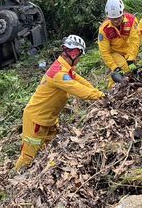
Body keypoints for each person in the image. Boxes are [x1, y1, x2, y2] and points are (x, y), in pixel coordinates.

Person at [15, 35, 104, 171]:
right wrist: (101, 97)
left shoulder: (66, 69)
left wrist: (99, 92)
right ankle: (13, 181)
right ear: (74, 53)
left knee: (47, 153)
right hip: (36, 120)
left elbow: (81, 82)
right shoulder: (59, 74)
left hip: (49, 119)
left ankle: (37, 176)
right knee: (28, 157)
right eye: (80, 56)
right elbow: (79, 90)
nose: (80, 60)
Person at [98, 0, 140, 85]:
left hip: (128, 50)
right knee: (122, 68)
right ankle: (112, 91)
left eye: (118, 18)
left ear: (122, 13)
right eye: (113, 19)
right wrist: (114, 67)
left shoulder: (131, 20)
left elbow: (134, 41)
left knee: (132, 70)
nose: (116, 21)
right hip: (114, 53)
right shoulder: (104, 30)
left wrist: (131, 59)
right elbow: (104, 52)